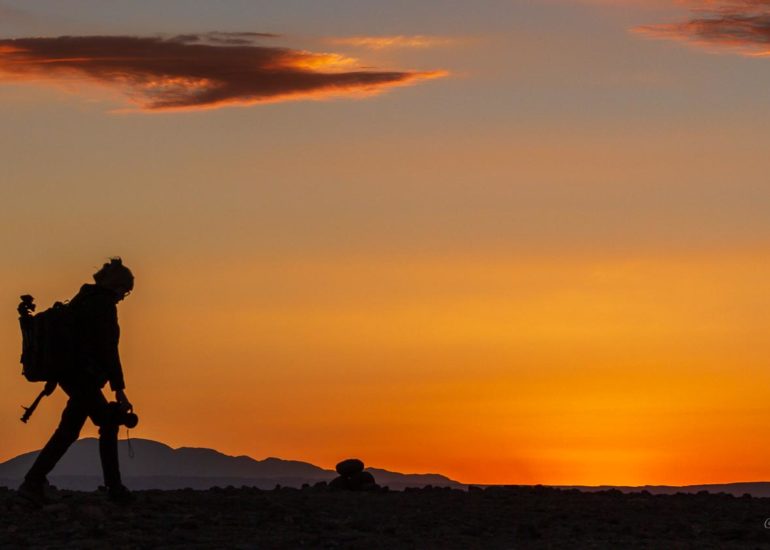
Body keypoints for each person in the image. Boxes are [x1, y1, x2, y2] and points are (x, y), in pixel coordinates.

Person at [18, 258, 136, 505]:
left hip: (71, 376)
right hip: (84, 377)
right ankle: (113, 488)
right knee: (107, 421)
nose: (124, 297)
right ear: (116, 286)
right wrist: (119, 389)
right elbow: (108, 350)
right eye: (125, 291)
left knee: (69, 430)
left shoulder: (82, 299)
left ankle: (33, 481)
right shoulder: (103, 305)